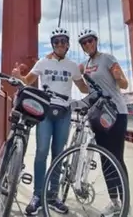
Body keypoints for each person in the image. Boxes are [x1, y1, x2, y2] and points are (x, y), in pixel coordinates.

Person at [11, 27, 88, 216]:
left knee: (58, 155)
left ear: (68, 45)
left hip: (64, 113)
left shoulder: (72, 65)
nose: (60, 44)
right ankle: (37, 195)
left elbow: (84, 89)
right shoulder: (43, 62)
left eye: (63, 41)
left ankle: (53, 197)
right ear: (52, 44)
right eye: (56, 41)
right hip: (45, 112)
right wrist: (18, 76)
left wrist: (90, 74)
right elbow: (27, 80)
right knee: (41, 153)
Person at [77, 28, 130, 214]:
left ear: (96, 41)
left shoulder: (107, 59)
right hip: (99, 115)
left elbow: (124, 84)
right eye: (84, 43)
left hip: (116, 113)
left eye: (90, 40)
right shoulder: (85, 65)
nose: (88, 44)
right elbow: (85, 90)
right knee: (105, 158)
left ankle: (126, 203)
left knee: (117, 158)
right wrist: (77, 79)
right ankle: (114, 202)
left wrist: (119, 77)